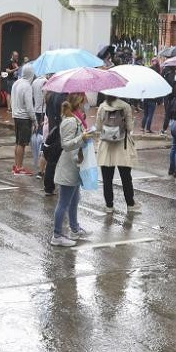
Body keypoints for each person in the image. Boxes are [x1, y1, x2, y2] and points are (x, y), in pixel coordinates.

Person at [50, 94, 96, 246]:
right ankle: (56, 235)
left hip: (76, 165)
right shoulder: (70, 121)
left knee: (75, 200)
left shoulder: (77, 119)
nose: (87, 104)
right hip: (68, 166)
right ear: (79, 102)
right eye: (85, 101)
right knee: (63, 202)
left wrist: (87, 135)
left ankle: (74, 229)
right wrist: (82, 137)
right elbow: (66, 144)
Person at [96, 91, 138, 214]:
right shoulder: (125, 106)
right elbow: (129, 128)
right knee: (126, 178)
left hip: (106, 147)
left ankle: (109, 206)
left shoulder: (102, 106)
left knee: (107, 179)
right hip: (122, 146)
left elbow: (98, 128)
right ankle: (130, 204)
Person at [10, 63, 35, 175]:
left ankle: (16, 165)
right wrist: (34, 119)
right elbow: (29, 107)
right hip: (24, 118)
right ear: (31, 74)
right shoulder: (27, 86)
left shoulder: (16, 83)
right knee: (22, 143)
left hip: (16, 116)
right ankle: (19, 167)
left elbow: (11, 99)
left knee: (17, 142)